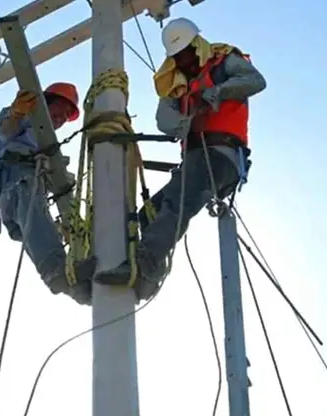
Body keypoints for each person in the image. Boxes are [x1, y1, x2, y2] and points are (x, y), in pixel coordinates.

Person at [93, 17, 266, 297]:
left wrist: (214, 94)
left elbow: (256, 81)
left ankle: (145, 264)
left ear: (198, 46)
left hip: (221, 156)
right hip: (197, 159)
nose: (184, 62)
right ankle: (146, 274)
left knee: (176, 203)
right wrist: (185, 116)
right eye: (178, 57)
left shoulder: (224, 62)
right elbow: (166, 121)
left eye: (187, 54)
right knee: (148, 215)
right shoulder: (176, 83)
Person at [0, 82, 96, 305]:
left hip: (24, 191)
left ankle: (74, 284)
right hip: (15, 180)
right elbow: (5, 128)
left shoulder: (48, 145)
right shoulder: (25, 119)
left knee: (42, 228)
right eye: (61, 110)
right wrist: (17, 111)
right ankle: (58, 274)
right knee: (35, 218)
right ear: (47, 101)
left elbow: (59, 182)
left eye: (67, 116)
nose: (62, 118)